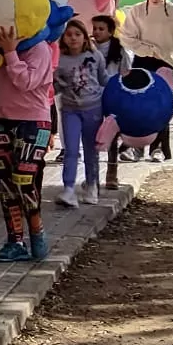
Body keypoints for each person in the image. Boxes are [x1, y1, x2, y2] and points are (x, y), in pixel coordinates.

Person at [0, 20, 58, 264]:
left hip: (33, 122)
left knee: (24, 181)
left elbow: (25, 82)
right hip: (3, 118)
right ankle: (15, 241)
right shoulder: (0, 49)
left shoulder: (39, 48)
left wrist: (11, 52)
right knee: (6, 185)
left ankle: (38, 234)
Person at [120, 0, 173, 162]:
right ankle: (133, 147)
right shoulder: (137, 10)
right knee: (137, 105)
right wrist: (147, 49)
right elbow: (127, 36)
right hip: (142, 60)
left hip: (165, 61)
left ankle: (158, 148)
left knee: (161, 106)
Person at [52, 19, 112, 208]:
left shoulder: (95, 56)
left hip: (93, 109)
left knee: (90, 150)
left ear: (85, 37)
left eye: (77, 34)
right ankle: (69, 188)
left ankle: (92, 185)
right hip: (70, 110)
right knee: (70, 149)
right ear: (64, 38)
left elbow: (103, 79)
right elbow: (54, 87)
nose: (73, 38)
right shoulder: (59, 59)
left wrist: (120, 83)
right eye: (69, 35)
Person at [91, 14, 131, 190]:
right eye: (95, 28)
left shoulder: (120, 51)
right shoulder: (88, 48)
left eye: (101, 29)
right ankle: (92, 176)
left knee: (112, 136)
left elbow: (126, 74)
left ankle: (112, 174)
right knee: (92, 135)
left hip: (113, 97)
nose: (97, 32)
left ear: (110, 31)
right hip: (91, 97)